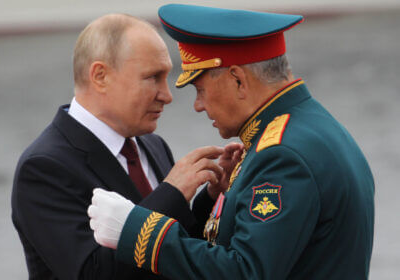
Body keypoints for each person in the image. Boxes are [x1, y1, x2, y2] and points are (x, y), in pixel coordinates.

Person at [88, 4, 375, 280]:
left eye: (200, 89)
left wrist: (140, 232)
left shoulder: (282, 155)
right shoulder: (309, 127)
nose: (198, 105)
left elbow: (245, 272)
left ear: (238, 80)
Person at [11, 13, 237, 280]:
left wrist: (208, 197)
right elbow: (90, 273)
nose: (167, 95)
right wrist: (173, 192)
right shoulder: (43, 167)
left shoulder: (152, 146)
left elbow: (173, 250)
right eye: (153, 77)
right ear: (100, 76)